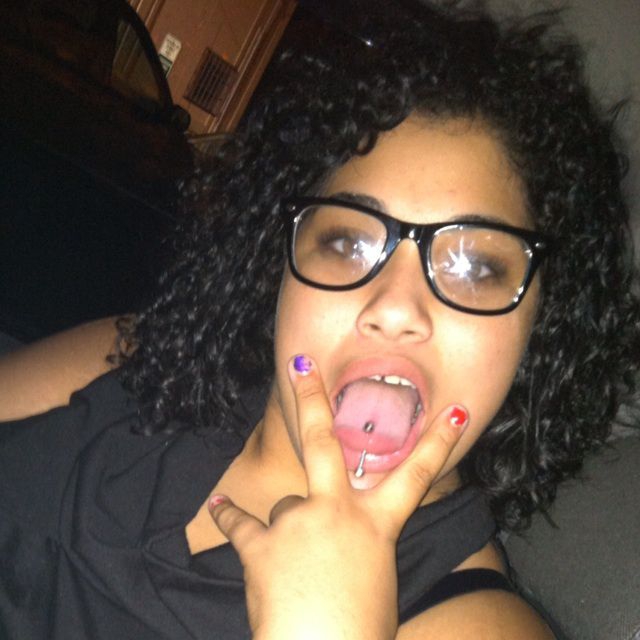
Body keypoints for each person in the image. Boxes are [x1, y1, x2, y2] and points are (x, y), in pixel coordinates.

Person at [1, 1, 638, 638]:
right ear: (278, 261)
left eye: (473, 266)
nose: (395, 307)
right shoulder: (147, 356)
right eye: (348, 241)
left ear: (542, 326)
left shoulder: (476, 625)